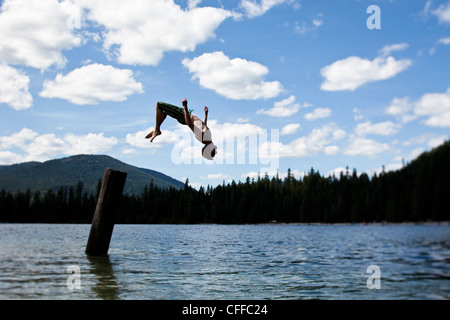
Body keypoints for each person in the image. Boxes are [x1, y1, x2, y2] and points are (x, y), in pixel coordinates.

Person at [145, 99, 217, 160]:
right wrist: (206, 114)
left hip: (183, 115)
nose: (215, 149)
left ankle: (157, 130)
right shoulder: (208, 138)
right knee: (164, 112)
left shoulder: (203, 137)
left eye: (214, 150)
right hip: (185, 114)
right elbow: (203, 125)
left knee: (159, 105)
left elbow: (189, 124)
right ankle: (156, 130)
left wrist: (185, 107)